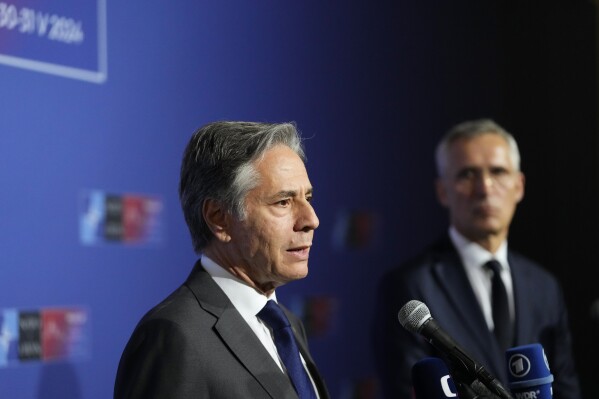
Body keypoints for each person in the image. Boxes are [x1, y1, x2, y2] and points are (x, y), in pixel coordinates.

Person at [114, 121, 329, 399]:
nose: (311, 220)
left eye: (308, 198)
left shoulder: (287, 324)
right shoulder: (173, 336)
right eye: (283, 202)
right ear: (219, 218)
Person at [372, 119, 581, 399]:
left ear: (519, 186)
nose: (484, 188)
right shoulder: (408, 286)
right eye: (468, 174)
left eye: (498, 171)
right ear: (443, 191)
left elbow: (567, 389)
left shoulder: (544, 287)